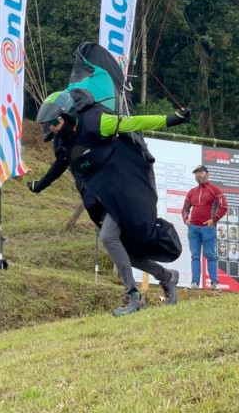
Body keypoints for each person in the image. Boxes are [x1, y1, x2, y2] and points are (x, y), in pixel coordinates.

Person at [27, 89, 191, 315]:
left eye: (53, 123)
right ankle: (167, 277)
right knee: (125, 251)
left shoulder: (97, 122)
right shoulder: (62, 140)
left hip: (125, 191)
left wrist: (170, 119)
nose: (51, 128)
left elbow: (133, 122)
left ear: (68, 117)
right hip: (102, 198)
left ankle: (132, 296)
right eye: (48, 124)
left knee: (109, 237)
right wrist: (40, 184)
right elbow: (60, 164)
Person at [181, 164, 228, 289]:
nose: (198, 175)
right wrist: (186, 219)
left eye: (200, 172)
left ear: (207, 174)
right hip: (193, 229)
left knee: (210, 255)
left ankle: (214, 283)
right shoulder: (192, 192)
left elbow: (224, 207)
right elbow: (185, 208)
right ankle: (194, 283)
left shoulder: (215, 190)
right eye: (196, 173)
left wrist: (214, 219)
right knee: (195, 256)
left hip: (208, 228)